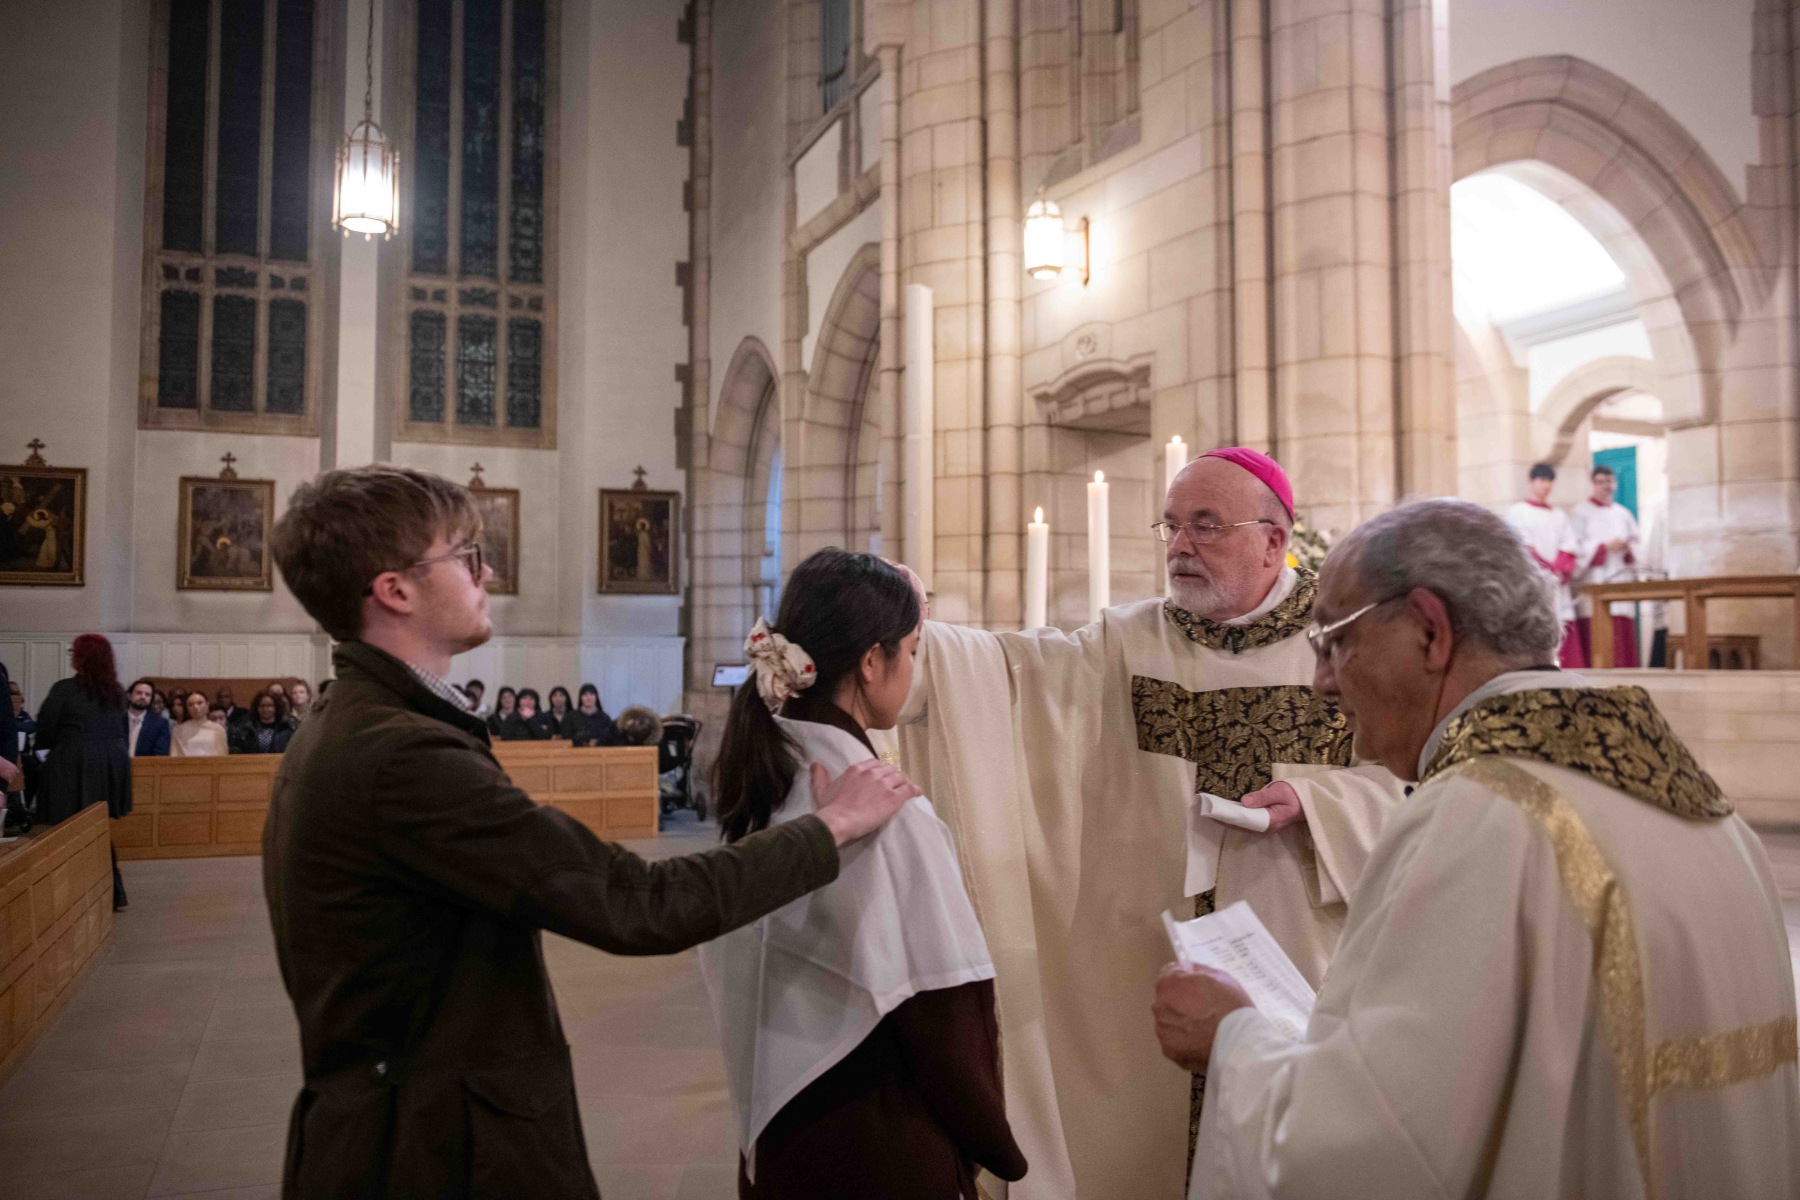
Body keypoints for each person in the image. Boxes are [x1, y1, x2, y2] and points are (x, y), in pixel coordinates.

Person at [263, 464, 920, 1200]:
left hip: (401, 1127)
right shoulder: (401, 758)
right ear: (395, 590)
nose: (487, 573)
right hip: (431, 1152)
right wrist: (830, 827)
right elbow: (637, 902)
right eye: (466, 557)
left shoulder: (357, 721)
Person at [1158, 498, 1800, 1199]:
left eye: (1335, 641)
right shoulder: (1708, 814)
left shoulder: (1482, 815)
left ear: (1431, 631)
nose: (1324, 682)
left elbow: (1374, 1153)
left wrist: (1232, 1038)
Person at [893, 447, 1405, 1197]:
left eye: (1206, 525)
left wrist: (1317, 804)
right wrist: (906, 632)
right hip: (1144, 952)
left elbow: (1416, 783)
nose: (1179, 545)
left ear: (1273, 540)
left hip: (1298, 949)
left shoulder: (1343, 644)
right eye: (1171, 525)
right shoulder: (1128, 642)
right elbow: (1011, 675)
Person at [702, 549, 1027, 1199]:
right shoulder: (884, 808)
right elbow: (944, 1006)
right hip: (876, 1141)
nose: (914, 668)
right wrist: (997, 1146)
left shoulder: (769, 773)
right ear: (873, 661)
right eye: (913, 651)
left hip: (781, 1132)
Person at [35, 634, 132, 909]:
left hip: (74, 762)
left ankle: (73, 894)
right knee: (96, 828)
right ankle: (113, 891)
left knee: (67, 828)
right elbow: (122, 730)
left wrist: (46, 753)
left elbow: (46, 729)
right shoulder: (116, 691)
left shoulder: (65, 689)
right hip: (110, 764)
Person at [1504, 462, 1584, 667]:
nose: (1545, 485)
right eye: (1541, 480)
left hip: (1558, 584)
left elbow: (1569, 544)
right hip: (1533, 584)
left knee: (1562, 625)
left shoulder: (1559, 515)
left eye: (1549, 481)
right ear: (1531, 483)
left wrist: (1559, 568)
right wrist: (1546, 569)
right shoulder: (1518, 512)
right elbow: (1521, 545)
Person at [1570, 462, 1644, 667]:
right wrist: (1602, 547)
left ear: (1615, 484)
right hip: (1595, 583)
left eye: (1610, 481)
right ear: (1592, 484)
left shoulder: (1624, 514)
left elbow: (1638, 546)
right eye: (1600, 482)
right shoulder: (1581, 513)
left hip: (1620, 581)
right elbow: (1575, 548)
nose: (1606, 486)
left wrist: (1628, 548)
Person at [230, 690, 293, 755]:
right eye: (262, 706)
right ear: (257, 708)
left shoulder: (285, 730)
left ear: (276, 708)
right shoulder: (246, 730)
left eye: (269, 706)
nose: (265, 709)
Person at [171, 689, 229, 757]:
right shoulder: (178, 730)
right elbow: (175, 756)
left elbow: (222, 755)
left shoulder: (218, 729)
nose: (195, 707)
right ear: (187, 708)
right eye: (191, 704)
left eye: (200, 703)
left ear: (207, 705)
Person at [126, 678, 172, 757]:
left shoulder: (160, 723)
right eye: (139, 693)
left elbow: (160, 754)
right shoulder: (116, 720)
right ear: (129, 696)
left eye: (147, 694)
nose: (143, 697)